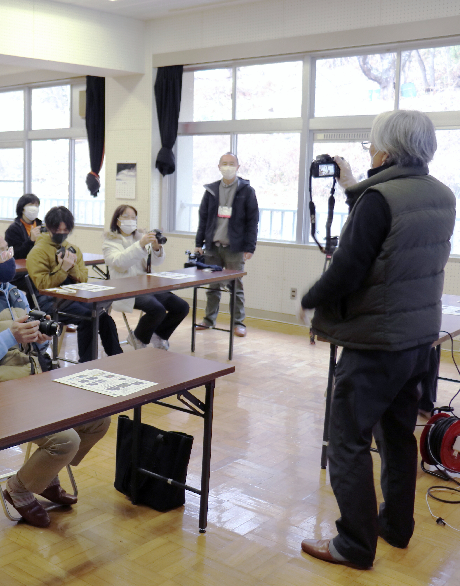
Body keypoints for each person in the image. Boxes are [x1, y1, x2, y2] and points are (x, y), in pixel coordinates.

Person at [297, 110, 455, 570]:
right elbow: (390, 241)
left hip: (375, 342)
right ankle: (395, 526)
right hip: (417, 340)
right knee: (398, 435)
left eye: (371, 146)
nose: (369, 153)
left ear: (386, 150)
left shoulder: (378, 198)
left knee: (346, 438)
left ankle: (354, 544)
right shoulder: (441, 195)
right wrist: (355, 186)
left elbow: (350, 267)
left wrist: (309, 299)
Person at [0, 226, 110, 528]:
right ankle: (19, 489)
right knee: (65, 439)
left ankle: (43, 476)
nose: (9, 256)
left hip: (32, 386)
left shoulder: (13, 291)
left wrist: (38, 335)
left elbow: (29, 340)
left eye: (8, 249)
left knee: (99, 420)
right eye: (2, 253)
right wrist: (9, 336)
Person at [26, 206, 122, 362]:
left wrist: (72, 268)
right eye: (58, 230)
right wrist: (62, 269)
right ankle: (86, 364)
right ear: (49, 228)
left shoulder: (73, 249)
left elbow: (83, 279)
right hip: (49, 302)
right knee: (89, 318)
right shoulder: (37, 252)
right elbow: (42, 286)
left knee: (103, 317)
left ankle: (117, 359)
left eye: (66, 230)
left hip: (73, 297)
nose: (62, 234)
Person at [103, 204, 188, 350]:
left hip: (147, 285)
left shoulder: (139, 237)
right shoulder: (110, 242)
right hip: (125, 287)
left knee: (181, 307)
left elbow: (156, 261)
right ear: (117, 221)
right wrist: (140, 245)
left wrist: (156, 248)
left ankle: (159, 335)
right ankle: (139, 338)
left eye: (134, 218)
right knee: (157, 309)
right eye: (126, 217)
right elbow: (120, 263)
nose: (131, 220)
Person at [193, 152, 259, 337]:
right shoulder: (211, 190)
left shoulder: (247, 191)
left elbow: (253, 221)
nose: (228, 167)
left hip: (235, 248)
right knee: (212, 287)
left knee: (235, 287)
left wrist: (250, 247)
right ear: (219, 166)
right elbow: (203, 218)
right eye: (224, 163)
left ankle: (238, 323)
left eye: (231, 164)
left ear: (238, 167)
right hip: (213, 247)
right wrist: (199, 243)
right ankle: (208, 319)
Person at [4, 193, 43, 260]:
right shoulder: (13, 229)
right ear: (22, 208)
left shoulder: (41, 226)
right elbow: (15, 253)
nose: (34, 208)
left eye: (36, 206)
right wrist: (30, 241)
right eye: (31, 205)